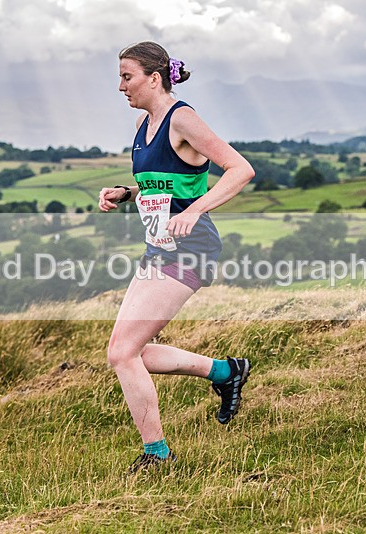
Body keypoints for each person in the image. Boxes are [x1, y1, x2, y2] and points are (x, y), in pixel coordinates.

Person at [98, 41, 256, 473]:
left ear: (154, 77)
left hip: (192, 246)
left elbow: (241, 170)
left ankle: (157, 456)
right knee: (131, 351)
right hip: (160, 246)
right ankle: (226, 373)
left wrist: (196, 210)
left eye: (126, 76)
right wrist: (126, 193)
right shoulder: (142, 123)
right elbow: (163, 186)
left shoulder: (181, 118)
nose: (120, 86)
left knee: (122, 352)